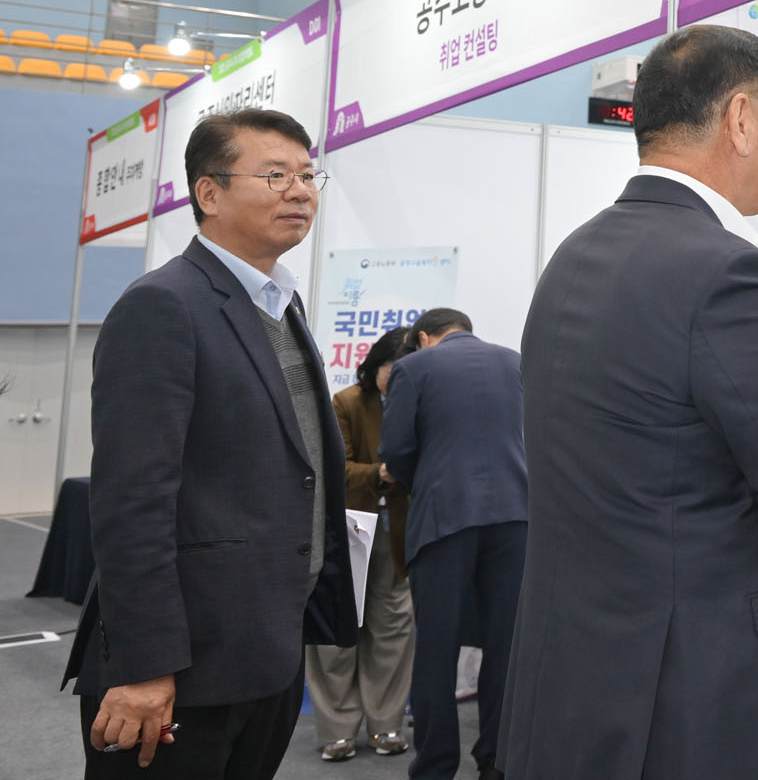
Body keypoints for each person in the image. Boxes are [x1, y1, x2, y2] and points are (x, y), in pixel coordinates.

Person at [498, 24, 758, 780]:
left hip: (573, 674)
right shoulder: (732, 274)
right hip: (696, 688)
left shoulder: (571, 258)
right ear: (741, 119)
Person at [63, 108, 357, 779]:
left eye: (308, 175)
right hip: (180, 665)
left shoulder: (280, 304)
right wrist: (144, 666)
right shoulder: (164, 305)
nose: (300, 191)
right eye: (275, 175)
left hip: (267, 650)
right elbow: (131, 504)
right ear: (209, 193)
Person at [377, 309, 527, 780]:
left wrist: (425, 480)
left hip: (445, 518)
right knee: (505, 646)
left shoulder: (412, 368)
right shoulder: (515, 361)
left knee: (436, 650)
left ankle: (436, 765)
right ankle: (496, 761)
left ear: (424, 337)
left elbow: (396, 451)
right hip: (516, 516)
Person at [305, 327, 416, 762]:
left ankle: (386, 724)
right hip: (350, 528)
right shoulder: (347, 402)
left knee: (393, 630)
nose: (400, 380)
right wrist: (380, 474)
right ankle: (337, 729)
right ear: (376, 367)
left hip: (399, 532)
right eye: (394, 371)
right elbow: (335, 468)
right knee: (337, 631)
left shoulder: (419, 403)